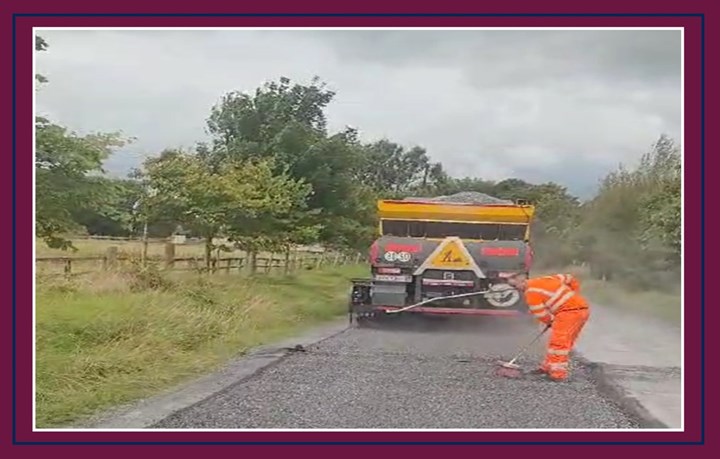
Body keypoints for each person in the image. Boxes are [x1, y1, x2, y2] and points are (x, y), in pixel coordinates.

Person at [506, 272, 590, 382]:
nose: (516, 289)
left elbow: (541, 314)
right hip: (582, 310)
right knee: (564, 342)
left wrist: (550, 321)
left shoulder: (531, 293)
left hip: (568, 313)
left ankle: (557, 374)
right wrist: (575, 294)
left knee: (558, 344)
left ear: (522, 281)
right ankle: (547, 368)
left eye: (514, 285)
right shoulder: (547, 278)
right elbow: (570, 278)